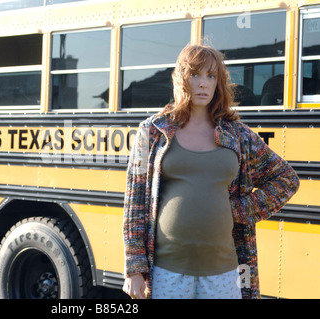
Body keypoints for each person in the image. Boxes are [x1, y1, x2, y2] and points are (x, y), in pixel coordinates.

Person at [122, 44, 300, 299]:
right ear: (181, 78)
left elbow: (286, 179)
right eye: (195, 75)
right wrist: (134, 269)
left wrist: (239, 209)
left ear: (218, 82)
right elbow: (135, 201)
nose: (203, 83)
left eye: (211, 75)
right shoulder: (153, 132)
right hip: (167, 272)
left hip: (225, 273)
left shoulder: (237, 135)